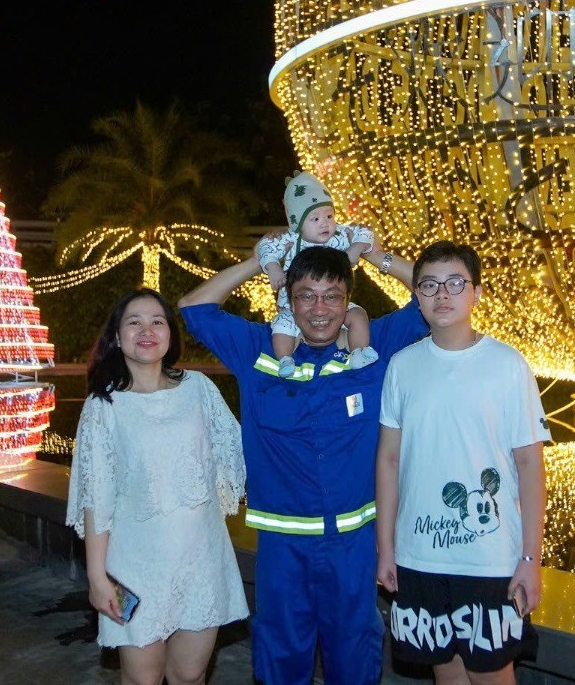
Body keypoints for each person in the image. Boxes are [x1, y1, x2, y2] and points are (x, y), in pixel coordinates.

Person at [179, 244, 427, 685]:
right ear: (288, 302)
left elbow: (427, 299)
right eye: (306, 295)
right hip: (282, 546)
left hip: (353, 545)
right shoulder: (259, 349)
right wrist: (261, 260)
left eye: (332, 295)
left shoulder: (369, 350)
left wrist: (372, 255)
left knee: (355, 661)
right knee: (279, 660)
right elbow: (194, 307)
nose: (319, 309)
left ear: (349, 302)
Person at [376, 242, 549, 685]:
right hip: (421, 557)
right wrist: (387, 549)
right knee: (447, 676)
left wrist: (531, 557)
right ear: (416, 296)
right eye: (429, 285)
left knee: (493, 676)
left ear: (476, 292)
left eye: (456, 283)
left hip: (489, 560)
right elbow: (390, 460)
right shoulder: (401, 366)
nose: (442, 295)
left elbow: (530, 465)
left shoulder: (508, 366)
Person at [65, 289, 249, 685]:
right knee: (143, 678)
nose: (146, 330)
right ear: (116, 337)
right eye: (134, 322)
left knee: (189, 674)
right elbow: (96, 496)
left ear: (170, 334)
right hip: (135, 567)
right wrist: (98, 578)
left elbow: (236, 449)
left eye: (157, 321)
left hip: (200, 560)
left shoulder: (199, 389)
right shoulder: (104, 406)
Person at [260, 172, 414, 378]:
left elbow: (365, 233)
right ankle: (285, 359)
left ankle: (358, 352)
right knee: (282, 326)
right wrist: (273, 267)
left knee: (358, 315)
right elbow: (264, 248)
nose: (324, 224)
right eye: (315, 219)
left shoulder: (339, 236)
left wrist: (360, 250)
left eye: (329, 216)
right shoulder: (290, 239)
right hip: (290, 308)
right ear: (297, 224)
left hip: (333, 310)